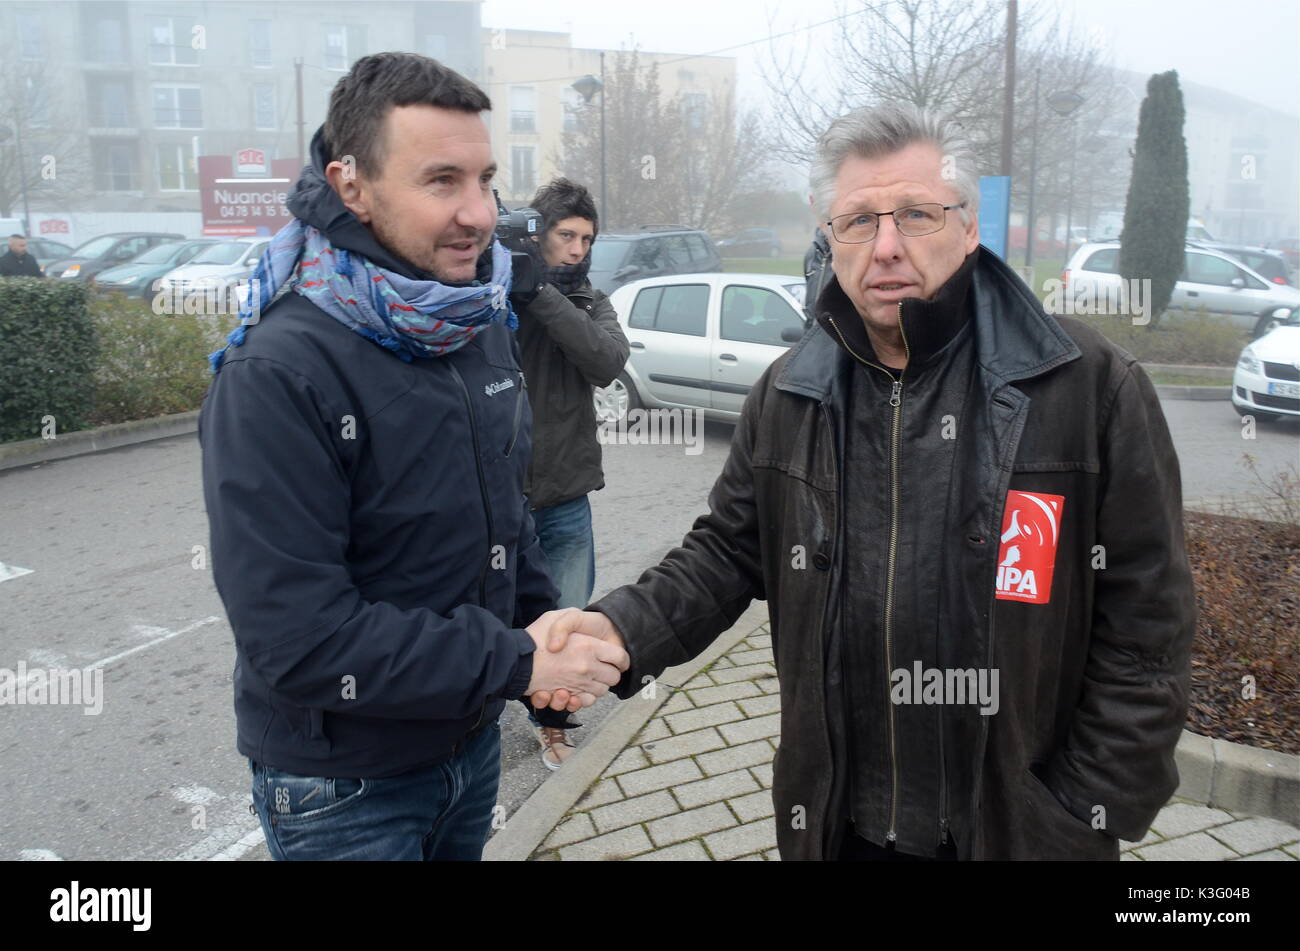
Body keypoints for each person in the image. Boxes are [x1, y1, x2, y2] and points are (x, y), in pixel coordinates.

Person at [536, 102, 1195, 861]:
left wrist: (1086, 808)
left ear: (969, 227)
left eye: (916, 214)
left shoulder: (1086, 386)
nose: (886, 247)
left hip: (1018, 830)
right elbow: (727, 550)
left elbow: (1150, 625)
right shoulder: (789, 393)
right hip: (838, 823)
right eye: (858, 220)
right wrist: (621, 628)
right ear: (829, 235)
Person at [198, 52, 628, 862]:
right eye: (442, 181)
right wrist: (516, 658)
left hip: (466, 751)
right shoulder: (279, 372)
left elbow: (504, 516)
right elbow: (298, 638)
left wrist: (546, 622)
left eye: (486, 180)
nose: (479, 213)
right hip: (344, 789)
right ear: (351, 184)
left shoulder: (472, 320)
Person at [509, 177, 629, 769]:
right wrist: (516, 288)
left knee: (564, 619)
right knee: (486, 616)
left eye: (586, 238)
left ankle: (551, 723)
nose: (578, 248)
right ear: (538, 235)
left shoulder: (589, 301)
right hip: (499, 499)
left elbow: (606, 361)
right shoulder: (494, 292)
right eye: (566, 235)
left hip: (564, 494)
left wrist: (541, 295)